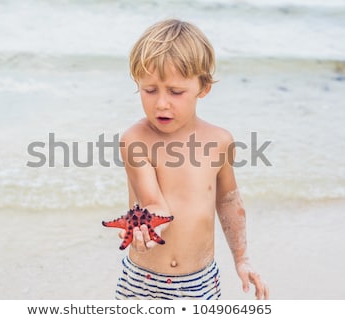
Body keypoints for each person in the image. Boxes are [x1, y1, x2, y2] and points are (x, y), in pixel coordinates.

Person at [115, 18, 269, 300]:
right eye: (149, 90)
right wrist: (147, 227)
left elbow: (228, 200)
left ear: (203, 88)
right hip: (144, 281)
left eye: (175, 92)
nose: (161, 102)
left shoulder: (220, 141)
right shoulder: (135, 140)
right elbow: (152, 202)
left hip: (201, 281)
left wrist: (241, 258)